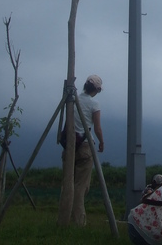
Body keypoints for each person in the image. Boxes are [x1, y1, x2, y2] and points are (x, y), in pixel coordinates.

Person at [72, 74, 104, 226]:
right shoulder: (94, 104)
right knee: (81, 186)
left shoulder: (73, 99)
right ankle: (79, 222)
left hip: (70, 145)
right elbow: (97, 128)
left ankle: (64, 217)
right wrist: (101, 142)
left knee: (68, 183)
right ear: (96, 90)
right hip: (85, 146)